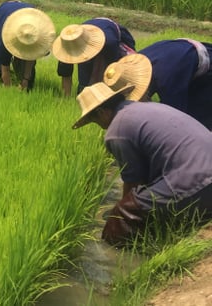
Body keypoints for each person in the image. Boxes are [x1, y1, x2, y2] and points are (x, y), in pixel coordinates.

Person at [73, 81, 212, 247]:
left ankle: (123, 260)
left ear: (102, 112)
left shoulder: (117, 130)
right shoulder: (145, 108)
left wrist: (122, 210)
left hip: (199, 180)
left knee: (121, 216)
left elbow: (133, 183)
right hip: (202, 172)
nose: (101, 127)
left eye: (95, 121)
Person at [103, 38, 212, 128]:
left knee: (198, 122)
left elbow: (176, 121)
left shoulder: (166, 80)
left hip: (205, 69)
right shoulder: (138, 64)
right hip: (182, 58)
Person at [53, 18, 136, 97]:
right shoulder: (68, 41)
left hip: (106, 39)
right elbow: (65, 72)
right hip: (85, 35)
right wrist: (66, 98)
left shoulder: (109, 43)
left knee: (110, 77)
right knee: (83, 85)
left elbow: (113, 70)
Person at [0, 1, 55, 91]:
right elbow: (5, 70)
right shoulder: (5, 41)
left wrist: (25, 80)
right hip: (2, 17)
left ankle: (28, 87)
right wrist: (8, 91)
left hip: (28, 16)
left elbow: (31, 58)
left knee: (27, 68)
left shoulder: (36, 35)